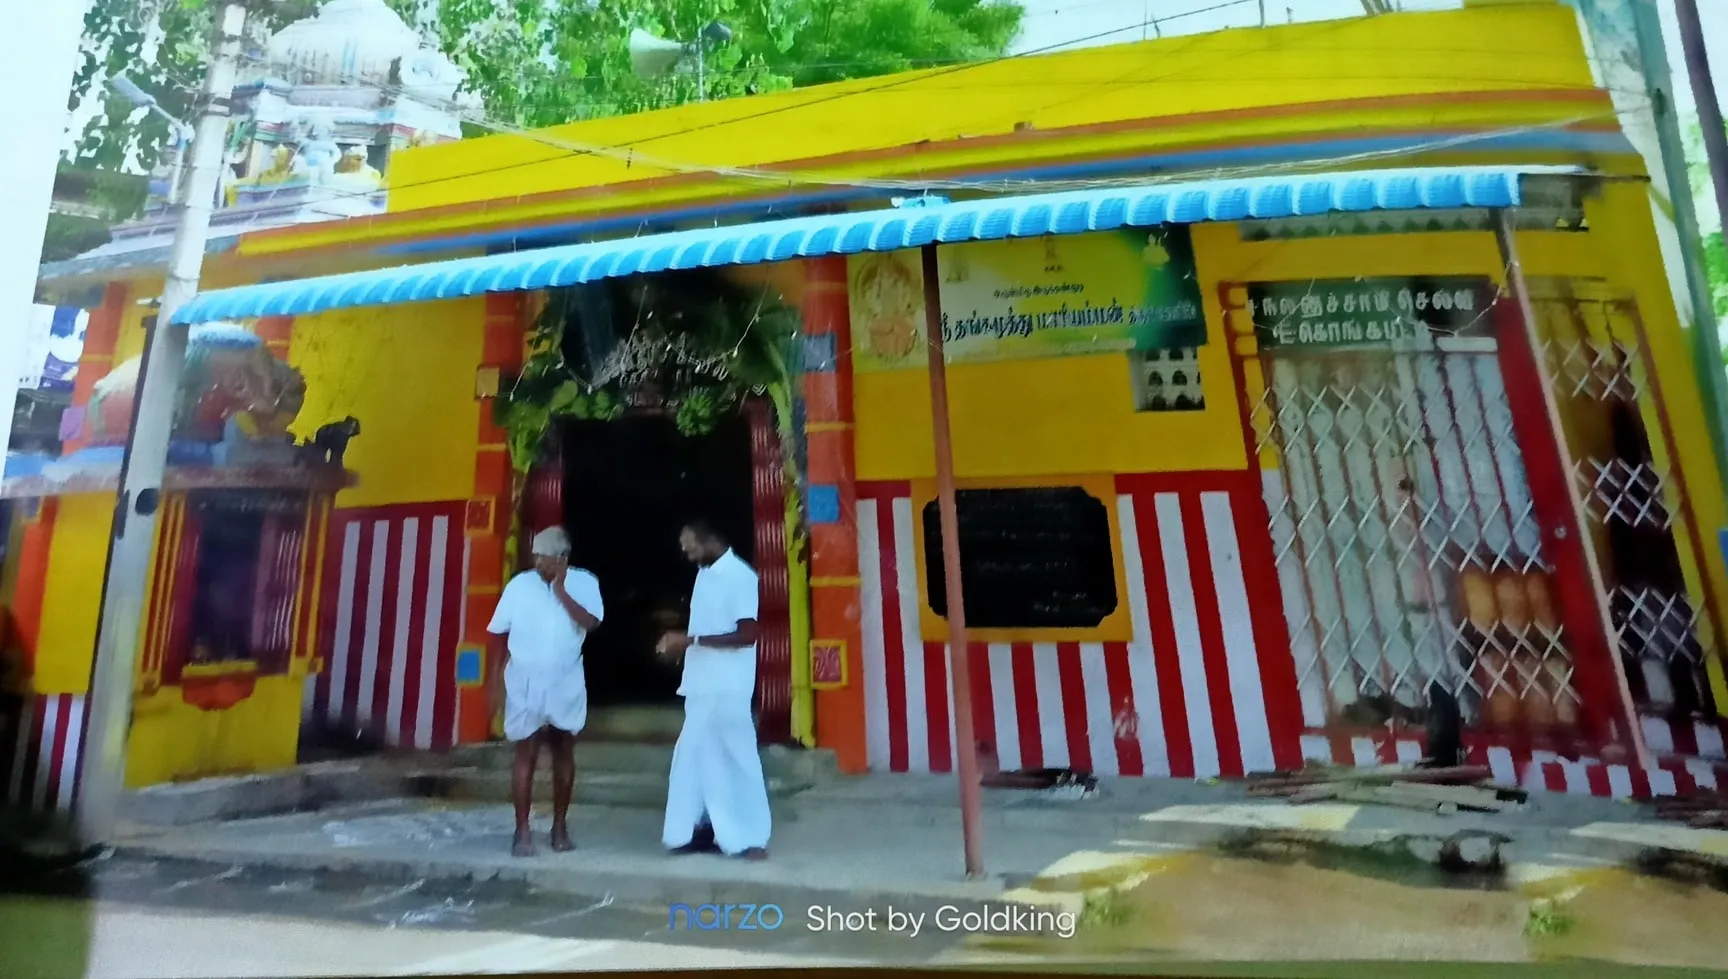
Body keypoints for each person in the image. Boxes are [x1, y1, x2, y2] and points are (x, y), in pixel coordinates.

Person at [657, 520, 771, 861]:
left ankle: (753, 839)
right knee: (694, 760)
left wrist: (689, 640)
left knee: (738, 760)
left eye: (689, 543)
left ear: (710, 539)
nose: (685, 551)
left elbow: (748, 635)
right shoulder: (705, 575)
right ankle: (696, 832)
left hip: (728, 689)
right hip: (701, 688)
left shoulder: (740, 576)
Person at [486, 526, 603, 857]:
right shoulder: (518, 586)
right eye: (535, 554)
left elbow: (591, 623)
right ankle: (522, 831)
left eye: (544, 556)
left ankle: (560, 828)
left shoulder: (585, 582)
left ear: (562, 558)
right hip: (524, 682)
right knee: (527, 753)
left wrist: (561, 589)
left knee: (564, 752)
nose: (536, 561)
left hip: (565, 682)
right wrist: (494, 684)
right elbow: (498, 634)